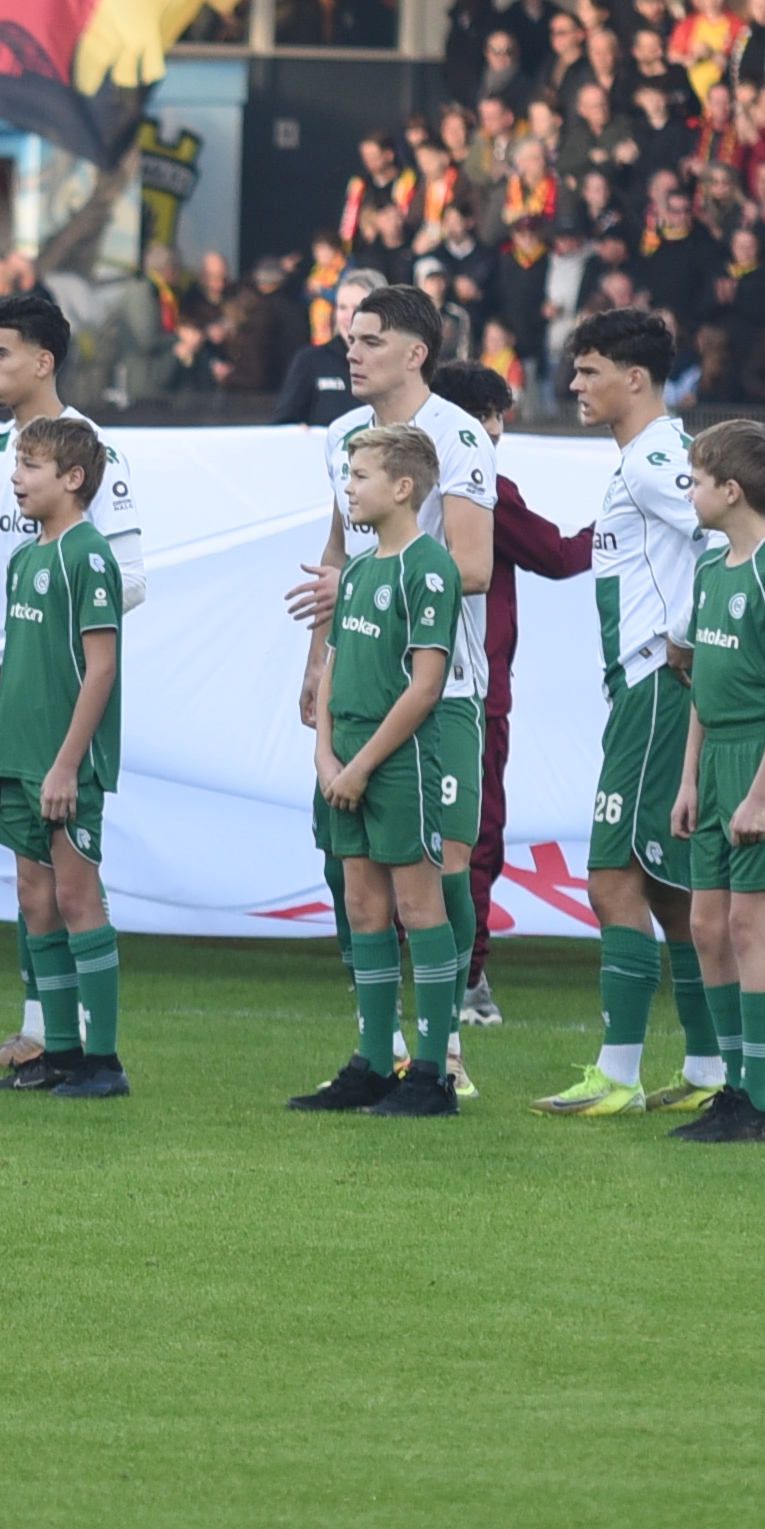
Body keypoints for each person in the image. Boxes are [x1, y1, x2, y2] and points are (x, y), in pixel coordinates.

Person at [291, 281, 516, 1038]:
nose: (351, 352)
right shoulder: (343, 435)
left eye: (370, 340)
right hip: (356, 680)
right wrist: (317, 663)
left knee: (438, 871)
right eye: (350, 339)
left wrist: (361, 586)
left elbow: (475, 566)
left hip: (438, 685)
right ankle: (377, 1043)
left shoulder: (457, 437)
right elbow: (337, 550)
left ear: (416, 353)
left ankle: (445, 1043)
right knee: (349, 870)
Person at [533, 307, 723, 1119]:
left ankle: (617, 1074)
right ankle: (710, 1067)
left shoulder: (656, 463)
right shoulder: (652, 459)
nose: (575, 385)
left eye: (589, 371)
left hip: (655, 692)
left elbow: (726, 535)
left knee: (611, 881)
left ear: (635, 379)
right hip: (648, 693)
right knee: (670, 891)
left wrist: (684, 635)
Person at [0, 291, 144, 1074]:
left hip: (55, 691)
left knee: (69, 883)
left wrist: (41, 635)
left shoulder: (95, 456)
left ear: (43, 360)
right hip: (4, 691)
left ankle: (88, 1052)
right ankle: (43, 1035)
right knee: (30, 879)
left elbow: (125, 580)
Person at [291, 424, 469, 1119]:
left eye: (361, 476)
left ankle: (431, 1073)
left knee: (418, 908)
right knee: (362, 906)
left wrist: (361, 765)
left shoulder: (430, 568)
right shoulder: (360, 570)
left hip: (397, 765)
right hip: (345, 763)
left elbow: (425, 687)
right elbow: (332, 666)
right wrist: (325, 755)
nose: (349, 488)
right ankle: (372, 1060)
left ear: (403, 488)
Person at [664, 419, 765, 1146]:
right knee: (704, 924)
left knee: (748, 924)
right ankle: (734, 1088)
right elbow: (700, 682)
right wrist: (689, 779)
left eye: (696, 479)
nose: (688, 490)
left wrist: (761, 793)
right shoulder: (709, 568)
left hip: (763, 758)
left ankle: (758, 1099)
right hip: (717, 757)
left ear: (732, 491)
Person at [0, 412, 131, 1101]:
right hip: (20, 758)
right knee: (33, 899)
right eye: (16, 465)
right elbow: (19, 669)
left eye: (30, 466)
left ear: (72, 479)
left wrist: (68, 763)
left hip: (69, 763)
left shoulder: (89, 556)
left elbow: (100, 670)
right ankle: (58, 1052)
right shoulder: (27, 557)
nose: (16, 478)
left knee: (75, 895)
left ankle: (105, 1061)